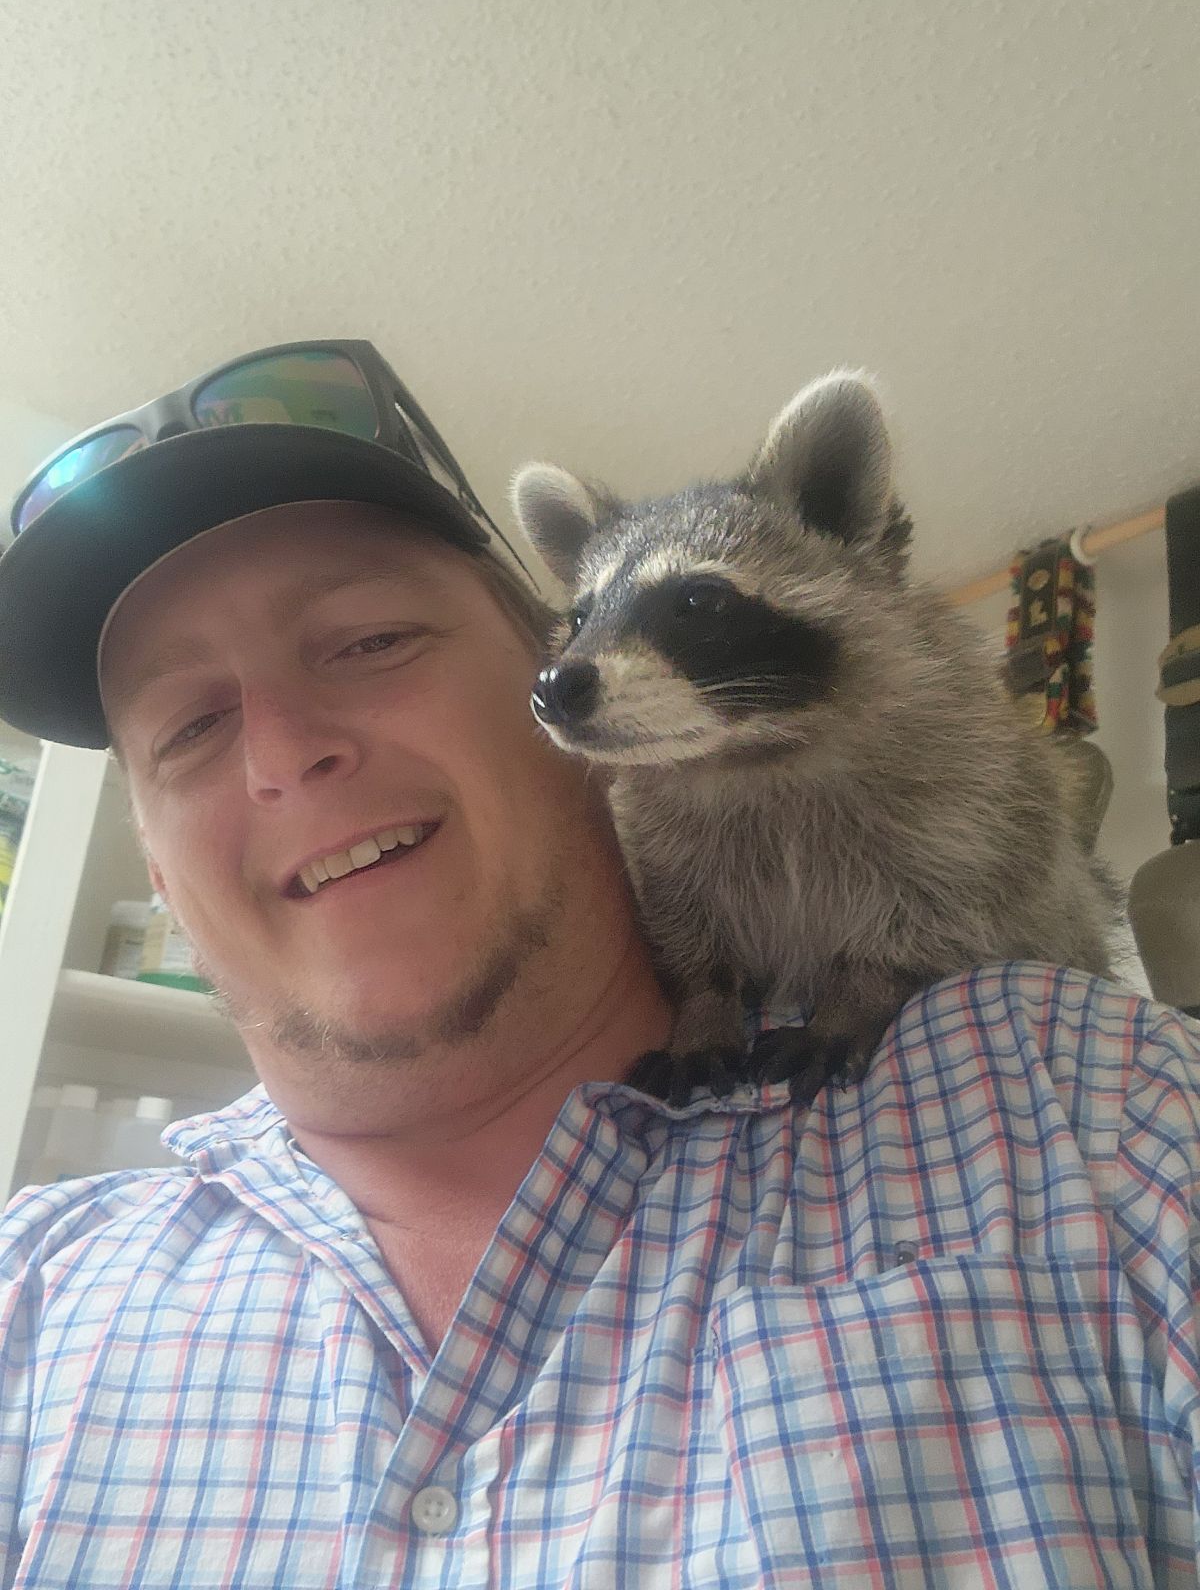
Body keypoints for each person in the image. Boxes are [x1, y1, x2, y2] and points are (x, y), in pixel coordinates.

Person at [0, 339, 1197, 1590]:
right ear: (147, 848)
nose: (282, 755)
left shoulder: (1106, 1123)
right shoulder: (36, 1302)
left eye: (368, 641)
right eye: (187, 724)